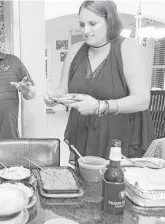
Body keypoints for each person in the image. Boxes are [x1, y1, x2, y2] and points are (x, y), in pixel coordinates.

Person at [44, 1, 154, 160]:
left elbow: (142, 100)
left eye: (92, 24)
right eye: (82, 24)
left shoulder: (128, 48)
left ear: (110, 22)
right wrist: (54, 97)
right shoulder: (75, 51)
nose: (85, 30)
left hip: (120, 135)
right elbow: (64, 89)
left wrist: (100, 106)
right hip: (83, 131)